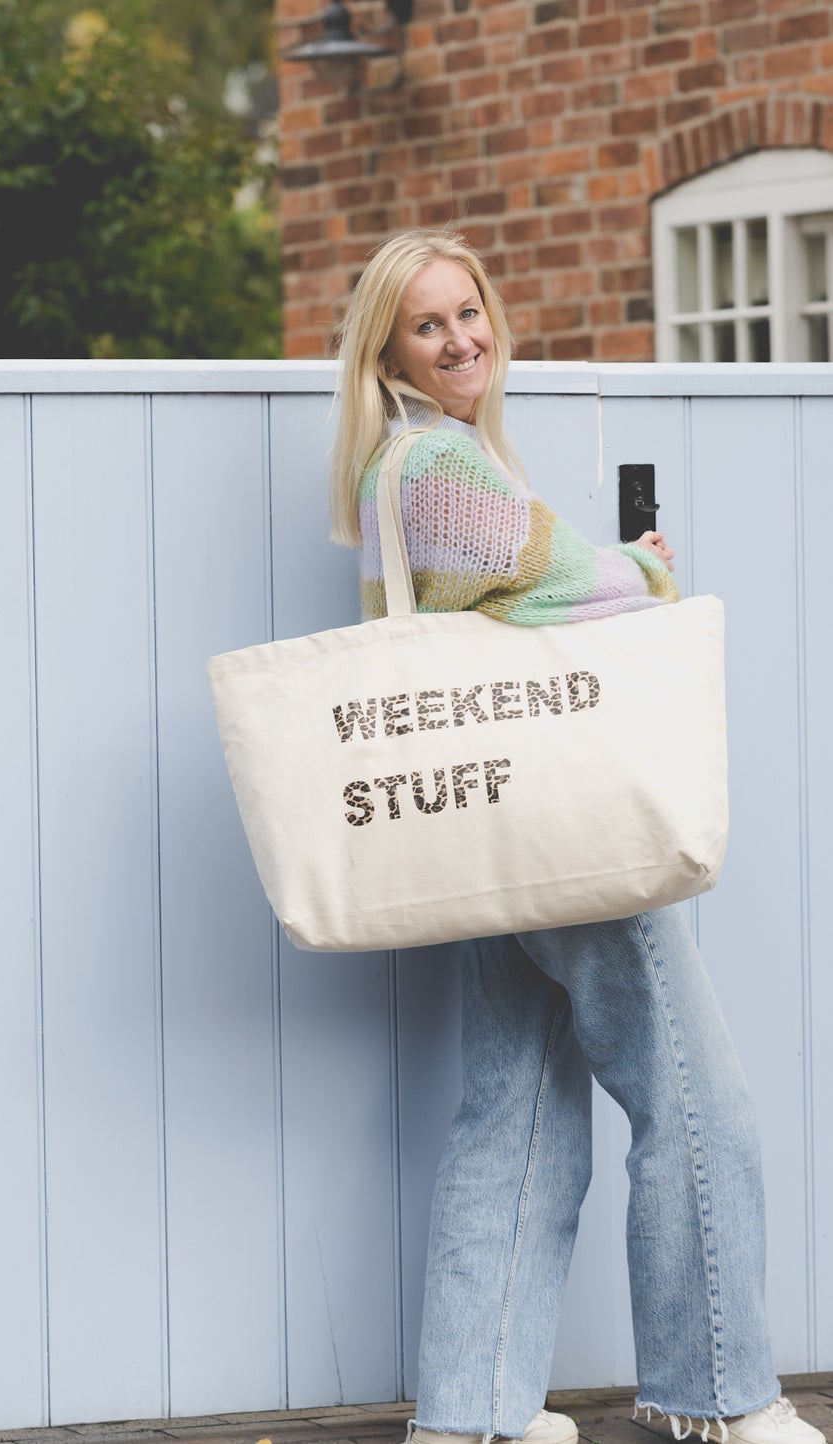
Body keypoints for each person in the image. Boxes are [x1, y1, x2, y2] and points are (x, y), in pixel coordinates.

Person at [326, 229, 822, 1444]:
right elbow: (562, 584)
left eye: (468, 312)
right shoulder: (437, 464)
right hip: (562, 834)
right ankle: (720, 1393)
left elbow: (521, 585)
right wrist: (642, 570)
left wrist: (590, 568)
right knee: (696, 1098)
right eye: (427, 325)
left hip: (492, 836)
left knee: (516, 1110)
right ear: (386, 351)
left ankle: (469, 1414)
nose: (460, 340)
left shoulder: (392, 473)